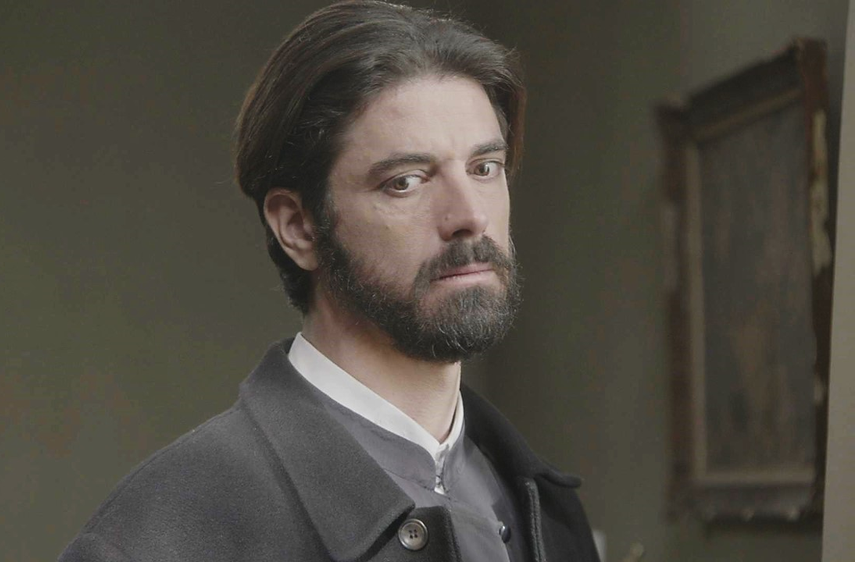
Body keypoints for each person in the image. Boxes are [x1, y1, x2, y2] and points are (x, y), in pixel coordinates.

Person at [59, 2, 599, 561]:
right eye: (406, 181)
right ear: (299, 226)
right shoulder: (160, 536)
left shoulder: (549, 512)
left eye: (484, 168)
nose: (470, 215)